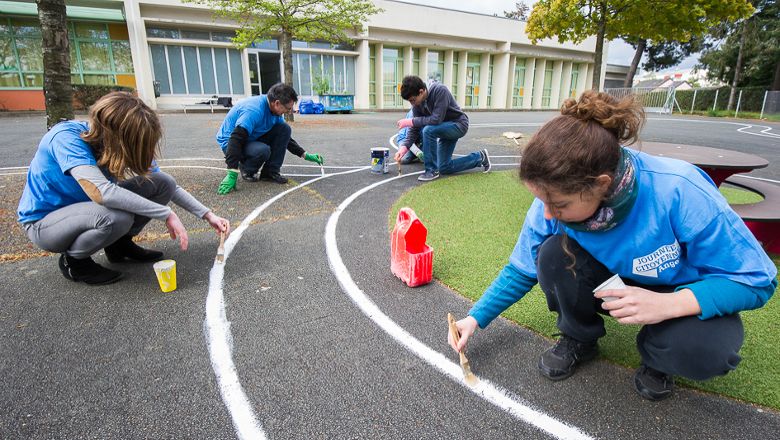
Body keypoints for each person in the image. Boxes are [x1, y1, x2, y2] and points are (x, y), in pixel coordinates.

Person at [448, 90, 777, 401]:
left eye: (558, 204)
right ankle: (580, 338)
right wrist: (474, 318)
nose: (547, 213)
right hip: (615, 281)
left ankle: (659, 359)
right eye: (541, 200)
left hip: (678, 291)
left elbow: (757, 281)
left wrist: (669, 305)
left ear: (601, 186)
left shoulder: (680, 191)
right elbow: (521, 269)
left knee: (706, 351)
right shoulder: (552, 201)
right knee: (551, 254)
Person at [17, 92, 230, 286]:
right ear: (117, 137)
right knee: (116, 217)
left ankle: (119, 246)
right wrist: (165, 213)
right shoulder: (66, 138)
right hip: (45, 224)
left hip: (89, 211)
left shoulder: (115, 141)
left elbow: (170, 187)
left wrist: (207, 215)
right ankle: (74, 262)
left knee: (162, 182)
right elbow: (101, 193)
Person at [216, 82, 324, 194]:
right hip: (230, 142)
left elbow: (285, 138)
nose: (288, 112)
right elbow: (236, 138)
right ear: (277, 103)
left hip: (251, 137)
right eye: (287, 109)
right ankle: (246, 168)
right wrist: (232, 173)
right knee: (262, 151)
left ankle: (270, 172)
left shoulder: (274, 112)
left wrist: (305, 155)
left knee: (284, 128)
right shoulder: (254, 110)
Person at [394, 75, 490, 182]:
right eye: (409, 101)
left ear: (421, 91)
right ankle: (480, 158)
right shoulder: (418, 103)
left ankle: (431, 171)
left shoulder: (439, 90)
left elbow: (436, 119)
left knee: (428, 130)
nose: (412, 104)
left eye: (412, 100)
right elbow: (415, 128)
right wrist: (404, 148)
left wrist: (411, 121)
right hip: (443, 129)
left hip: (458, 125)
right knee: (444, 167)